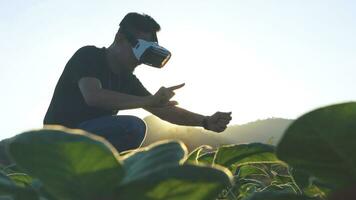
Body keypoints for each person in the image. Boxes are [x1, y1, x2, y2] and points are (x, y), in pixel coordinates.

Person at [43, 12, 232, 152]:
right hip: (56, 141)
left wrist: (205, 121)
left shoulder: (128, 80)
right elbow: (93, 96)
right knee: (132, 127)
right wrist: (148, 101)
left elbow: (164, 111)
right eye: (140, 51)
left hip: (85, 143)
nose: (140, 60)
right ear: (120, 39)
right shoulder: (89, 55)